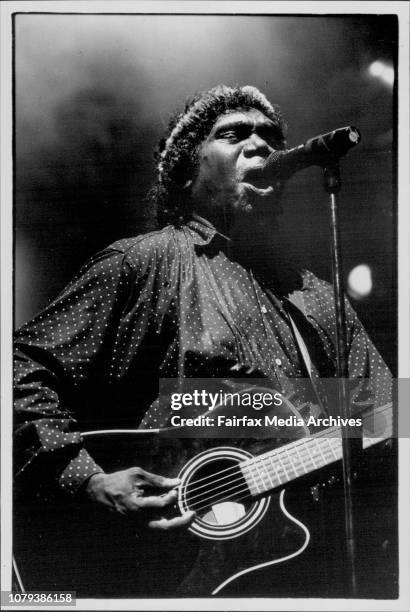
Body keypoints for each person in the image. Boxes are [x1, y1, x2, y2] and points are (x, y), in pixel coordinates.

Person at [13, 85, 393, 596]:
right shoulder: (144, 263)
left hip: (308, 570)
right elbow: (19, 369)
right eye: (235, 134)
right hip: (159, 575)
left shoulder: (319, 299)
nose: (262, 146)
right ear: (187, 172)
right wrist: (88, 479)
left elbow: (387, 417)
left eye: (272, 137)